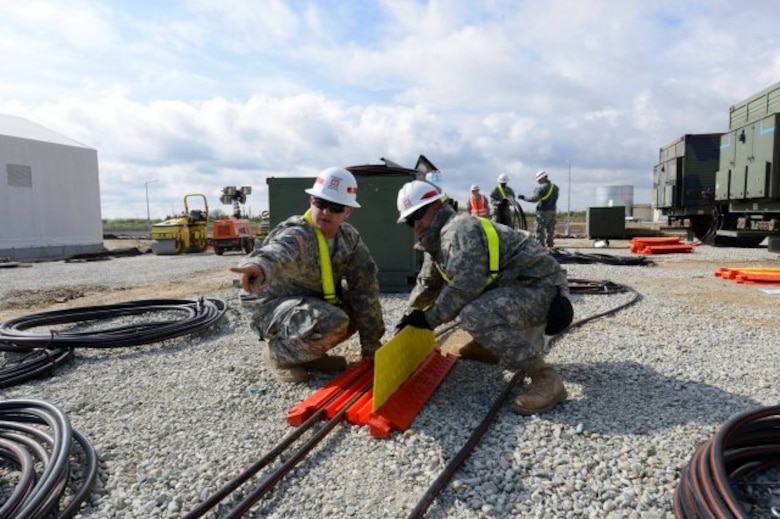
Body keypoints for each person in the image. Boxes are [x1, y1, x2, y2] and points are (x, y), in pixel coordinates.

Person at [395, 180, 571, 415]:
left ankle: (545, 377)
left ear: (437, 205)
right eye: (409, 221)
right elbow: (428, 283)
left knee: (473, 313)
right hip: (518, 288)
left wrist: (429, 320)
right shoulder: (437, 238)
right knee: (472, 304)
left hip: (544, 292)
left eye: (419, 215)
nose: (416, 225)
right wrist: (407, 319)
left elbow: (466, 286)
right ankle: (487, 346)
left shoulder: (459, 230)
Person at [230, 167, 385, 383]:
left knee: (357, 311)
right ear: (311, 201)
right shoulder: (299, 233)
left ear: (347, 211)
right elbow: (278, 250)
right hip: (270, 305)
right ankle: (277, 354)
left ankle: (308, 356)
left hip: (306, 305)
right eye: (320, 203)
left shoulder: (350, 240)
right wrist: (259, 267)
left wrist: (371, 349)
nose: (326, 212)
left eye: (336, 207)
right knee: (332, 321)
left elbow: (365, 291)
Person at [518, 170, 560, 249]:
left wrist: (524, 198)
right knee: (550, 230)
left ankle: (540, 248)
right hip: (553, 211)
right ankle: (550, 246)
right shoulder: (555, 187)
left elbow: (534, 199)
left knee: (540, 231)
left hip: (543, 212)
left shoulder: (540, 188)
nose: (538, 182)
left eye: (539, 180)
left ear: (542, 178)